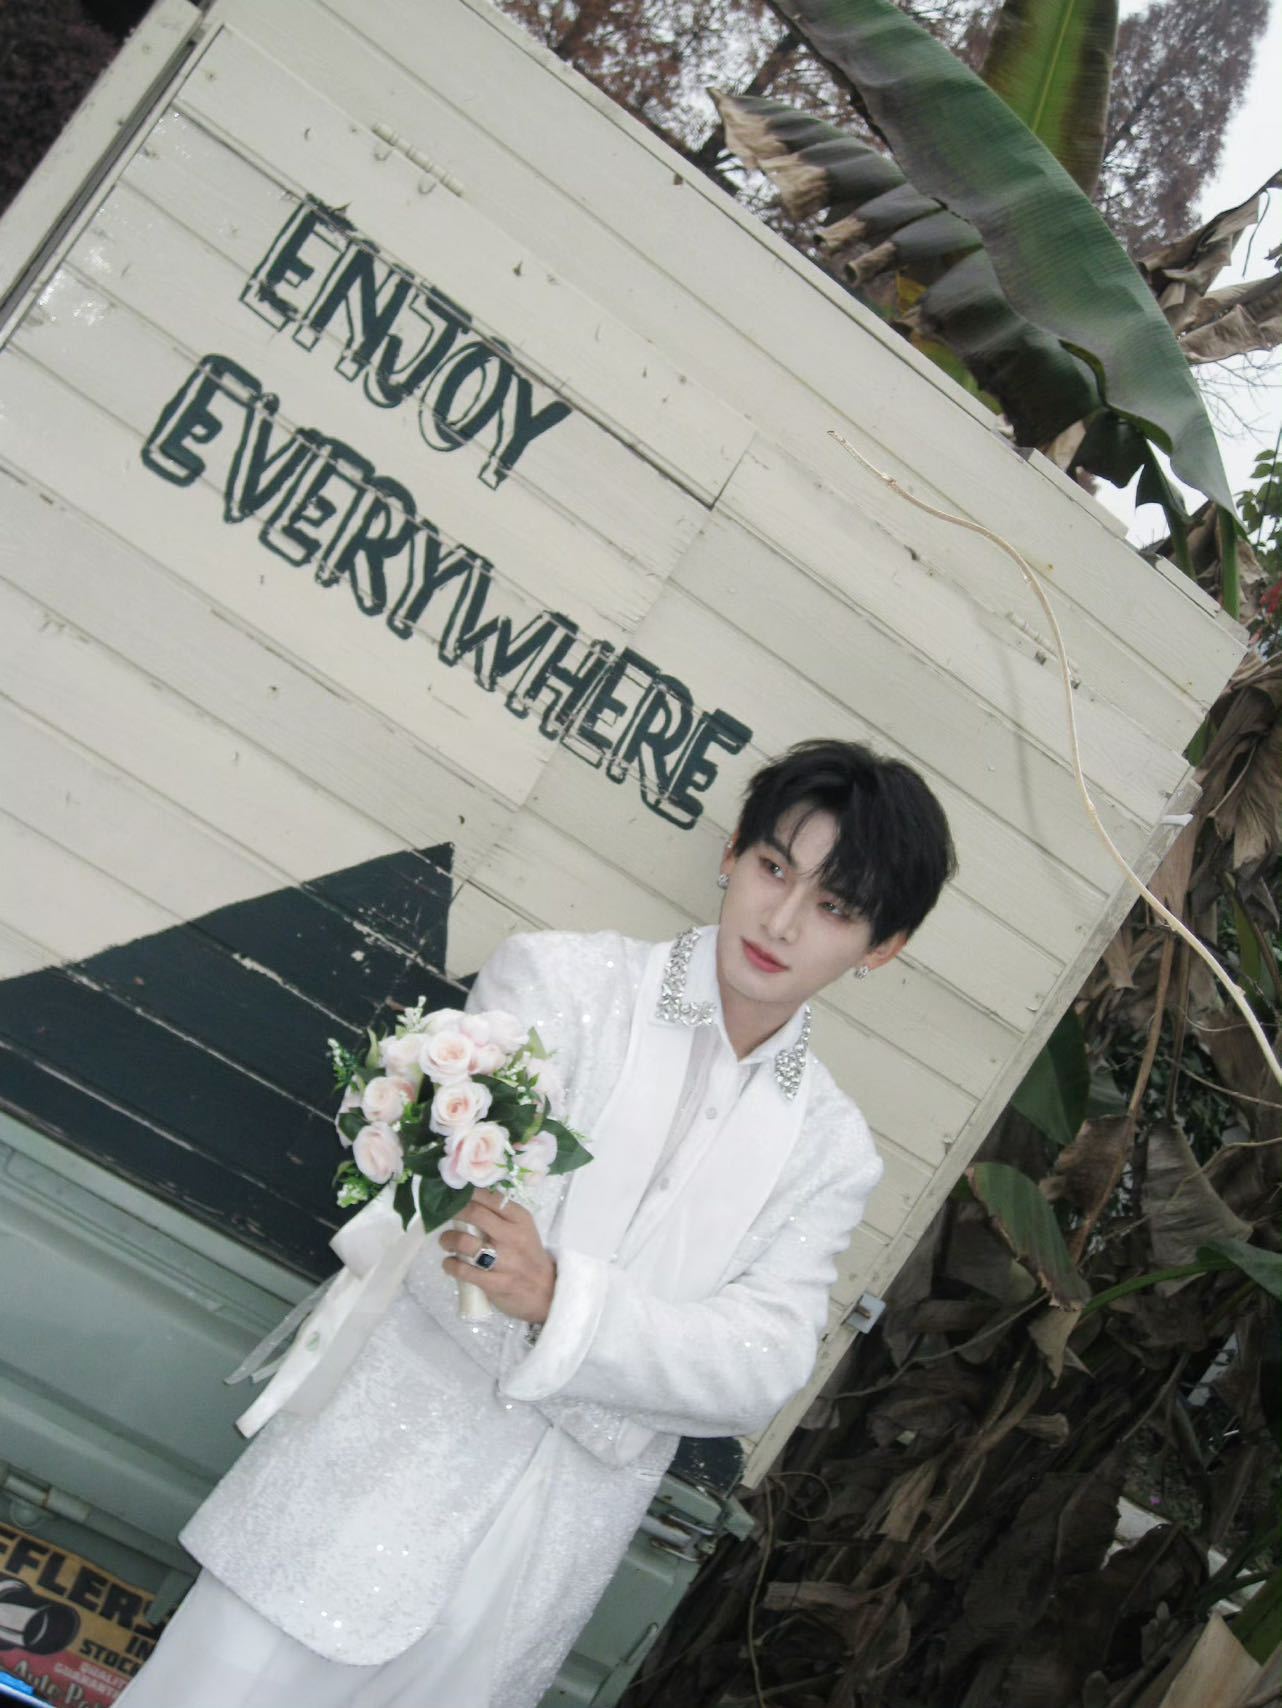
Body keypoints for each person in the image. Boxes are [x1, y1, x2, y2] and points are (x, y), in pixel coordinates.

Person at [118, 738, 955, 1708]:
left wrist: (559, 1299)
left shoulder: (829, 1149)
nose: (781, 919)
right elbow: (448, 1247)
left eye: (835, 908)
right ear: (732, 852)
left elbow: (759, 1366)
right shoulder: (561, 985)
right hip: (355, 1502)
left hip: (524, 1584)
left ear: (881, 947)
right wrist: (633, 1391)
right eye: (774, 867)